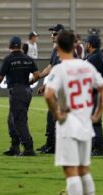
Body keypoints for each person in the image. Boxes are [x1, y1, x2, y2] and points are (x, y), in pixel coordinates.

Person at [44, 30, 103, 195]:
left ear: (57, 47)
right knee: (84, 170)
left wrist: (56, 113)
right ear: (75, 46)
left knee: (71, 171)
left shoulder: (59, 69)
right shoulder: (86, 66)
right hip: (85, 123)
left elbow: (49, 94)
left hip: (68, 124)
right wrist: (97, 113)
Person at [0, 36, 40, 156]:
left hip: (16, 91)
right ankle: (14, 147)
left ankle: (28, 148)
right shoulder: (28, 59)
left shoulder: (8, 59)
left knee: (19, 121)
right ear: (20, 46)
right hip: (26, 91)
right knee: (11, 120)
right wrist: (29, 82)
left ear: (10, 46)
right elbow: (37, 75)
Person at [33, 24, 65, 154]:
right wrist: (38, 76)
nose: (52, 36)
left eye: (55, 33)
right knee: (51, 115)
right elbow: (51, 66)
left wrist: (46, 85)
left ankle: (55, 145)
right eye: (52, 33)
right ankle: (50, 143)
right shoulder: (55, 49)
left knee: (56, 116)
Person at [84, 34, 103, 156]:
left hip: (96, 93)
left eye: (86, 43)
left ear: (89, 44)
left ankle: (99, 147)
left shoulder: (94, 58)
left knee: (95, 121)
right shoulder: (96, 56)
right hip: (96, 92)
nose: (85, 45)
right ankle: (98, 142)